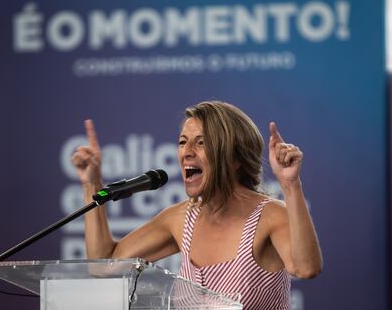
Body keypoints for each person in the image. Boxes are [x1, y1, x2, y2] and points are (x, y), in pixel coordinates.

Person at [72, 101, 322, 310]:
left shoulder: (269, 215)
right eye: (183, 142)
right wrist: (91, 184)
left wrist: (291, 185)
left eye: (201, 143)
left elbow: (306, 267)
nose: (187, 152)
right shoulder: (181, 219)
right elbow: (103, 264)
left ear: (234, 157)